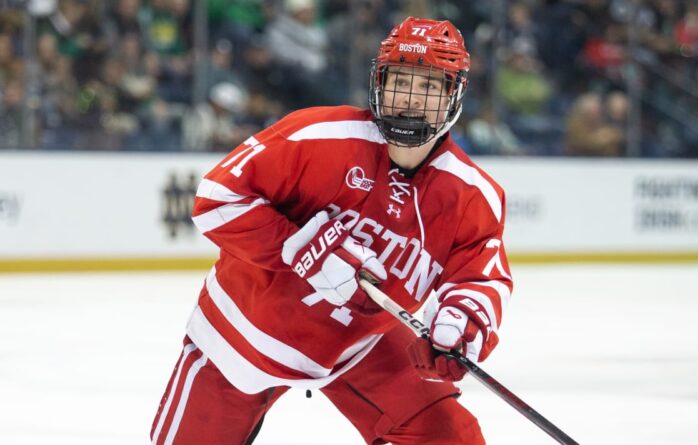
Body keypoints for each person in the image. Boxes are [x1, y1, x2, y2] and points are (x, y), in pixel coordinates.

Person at [151, 17, 513, 445]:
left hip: (363, 344)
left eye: (430, 87)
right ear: (379, 83)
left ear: (455, 95)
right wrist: (300, 246)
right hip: (247, 330)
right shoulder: (318, 136)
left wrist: (464, 320)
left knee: (451, 436)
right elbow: (216, 198)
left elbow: (480, 274)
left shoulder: (472, 194)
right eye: (401, 81)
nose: (411, 101)